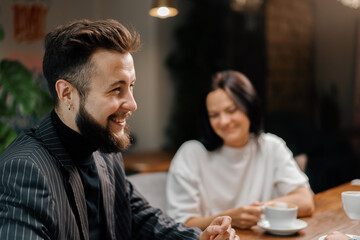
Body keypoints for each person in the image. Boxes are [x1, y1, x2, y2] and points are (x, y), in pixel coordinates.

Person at [0, 19, 240, 240]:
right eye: (116, 89)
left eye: (131, 86)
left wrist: (198, 238)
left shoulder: (105, 147)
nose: (132, 104)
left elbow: (138, 215)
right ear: (66, 93)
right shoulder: (25, 168)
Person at [166, 70, 315, 230]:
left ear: (249, 107)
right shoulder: (191, 154)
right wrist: (230, 218)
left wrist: (254, 210)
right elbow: (181, 224)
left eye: (231, 111)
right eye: (214, 115)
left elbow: (306, 201)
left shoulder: (270, 146)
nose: (224, 121)